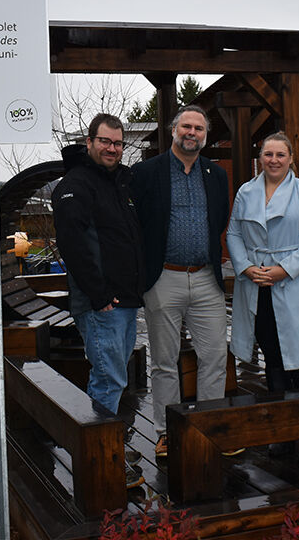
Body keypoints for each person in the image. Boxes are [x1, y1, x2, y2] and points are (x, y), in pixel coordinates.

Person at [131, 105, 232, 459]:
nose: (192, 133)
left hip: (206, 278)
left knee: (215, 356)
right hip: (164, 278)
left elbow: (220, 220)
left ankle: (210, 426)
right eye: (186, 126)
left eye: (199, 129)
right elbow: (136, 225)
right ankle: (166, 431)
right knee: (164, 360)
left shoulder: (216, 175)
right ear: (174, 130)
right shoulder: (145, 173)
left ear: (205, 136)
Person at [51, 113, 146, 487]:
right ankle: (100, 460)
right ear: (89, 142)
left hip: (123, 300)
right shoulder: (76, 185)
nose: (112, 149)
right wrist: (100, 295)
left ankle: (109, 443)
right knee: (107, 380)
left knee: (113, 377)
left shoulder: (116, 183)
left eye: (118, 143)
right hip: (102, 303)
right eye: (105, 141)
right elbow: (74, 246)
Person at [227, 132, 299, 395]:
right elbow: (234, 233)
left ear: (291, 158)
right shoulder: (245, 192)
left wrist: (284, 270)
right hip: (257, 282)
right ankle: (279, 422)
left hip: (293, 282)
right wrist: (246, 267)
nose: (274, 160)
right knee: (272, 355)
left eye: (280, 154)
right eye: (268, 154)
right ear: (260, 158)